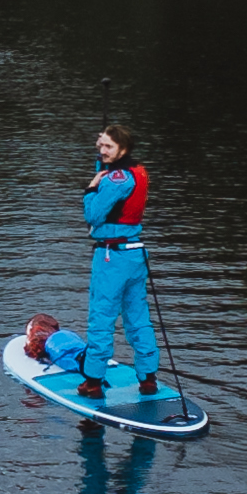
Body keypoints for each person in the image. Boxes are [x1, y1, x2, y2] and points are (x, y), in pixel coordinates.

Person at [77, 126, 164, 403]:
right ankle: (148, 378)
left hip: (111, 257)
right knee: (137, 318)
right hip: (136, 253)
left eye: (108, 147)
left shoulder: (115, 179)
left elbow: (93, 215)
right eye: (100, 145)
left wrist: (91, 187)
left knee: (101, 319)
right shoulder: (137, 172)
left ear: (123, 150)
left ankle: (92, 382)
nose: (102, 151)